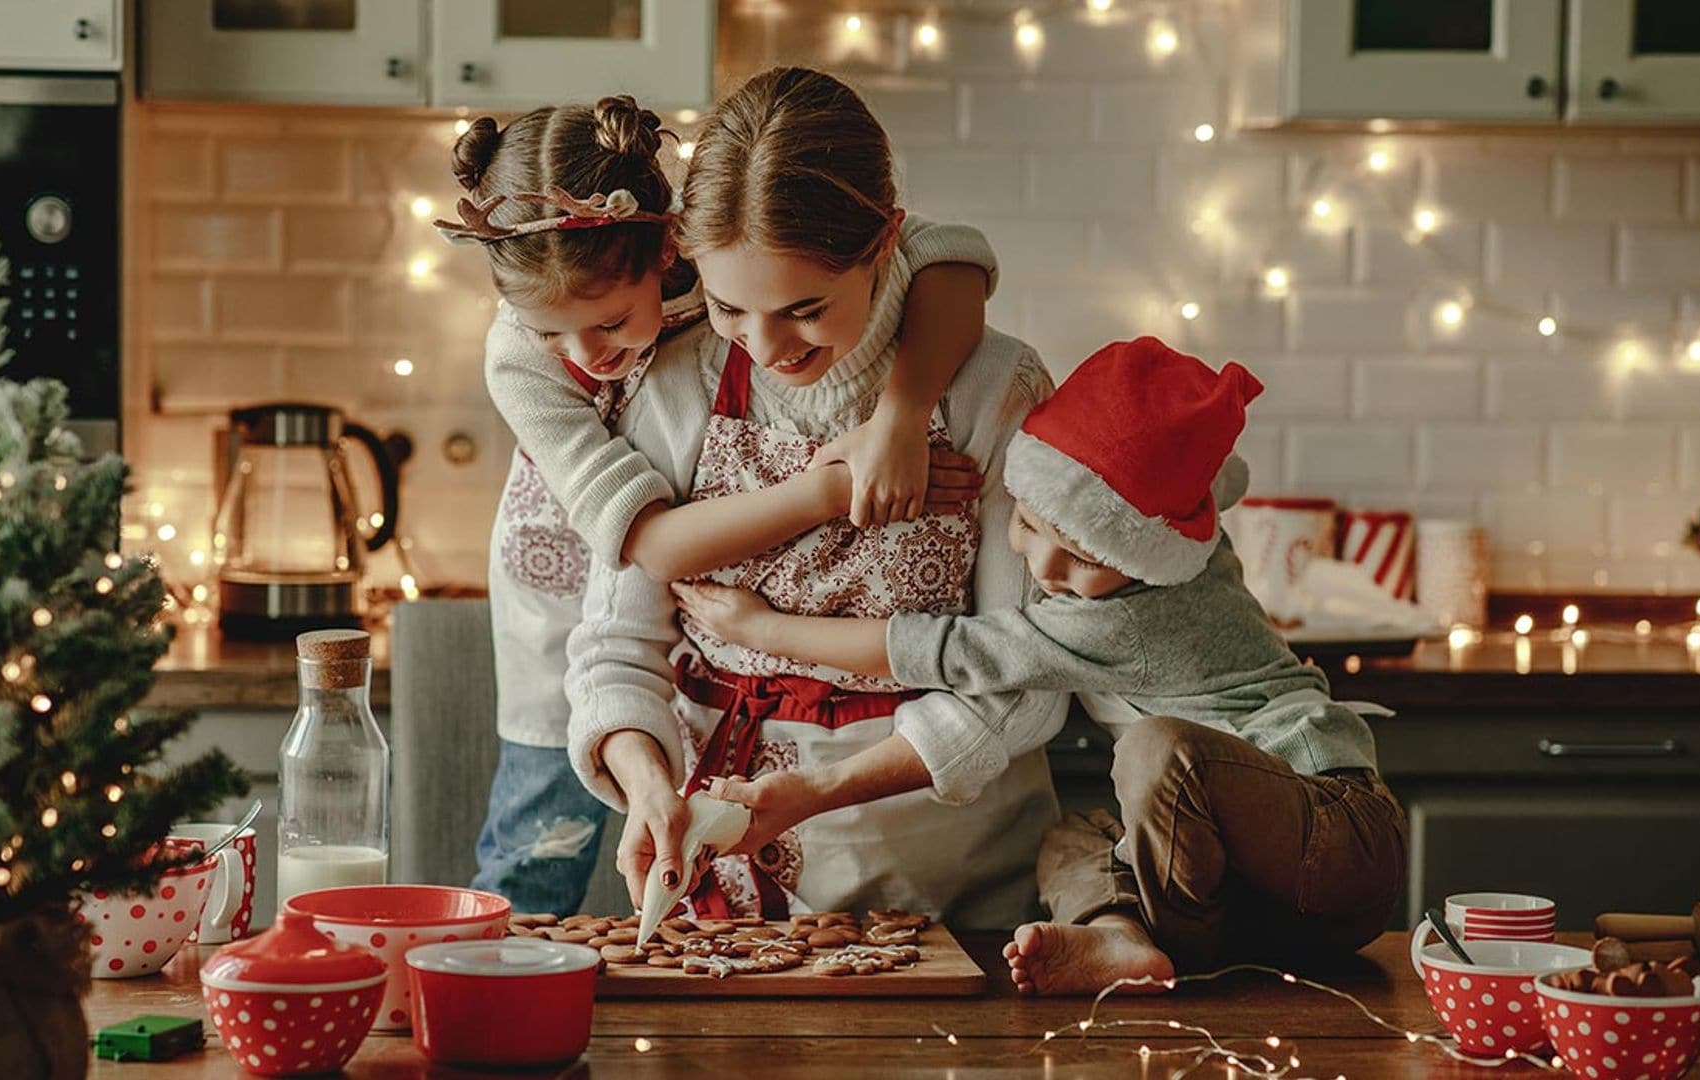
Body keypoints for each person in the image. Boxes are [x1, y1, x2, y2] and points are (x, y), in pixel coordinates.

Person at [675, 336, 1407, 992]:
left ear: (1141, 554)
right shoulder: (1176, 533)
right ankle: (1123, 939)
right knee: (1068, 841)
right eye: (1026, 524)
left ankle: (1176, 948)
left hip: (1332, 833)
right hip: (1266, 900)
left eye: (1084, 557)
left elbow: (945, 650)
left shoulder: (1127, 616)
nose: (1044, 565)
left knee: (1160, 750)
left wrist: (765, 626)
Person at [446, 93, 998, 914]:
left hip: (705, 553)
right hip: (581, 557)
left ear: (671, 248)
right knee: (540, 840)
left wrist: (902, 414)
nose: (582, 356)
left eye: (607, 324)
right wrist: (832, 488)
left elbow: (949, 258)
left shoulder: (725, 266)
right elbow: (655, 549)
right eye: (550, 333)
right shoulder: (522, 359)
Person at [563, 66, 1070, 929]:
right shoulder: (678, 379)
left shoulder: (991, 388)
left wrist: (821, 790)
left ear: (885, 245)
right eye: (728, 307)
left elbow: (1022, 677)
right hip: (721, 892)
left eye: (803, 309)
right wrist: (648, 783)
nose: (763, 347)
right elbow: (617, 643)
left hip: (948, 889)